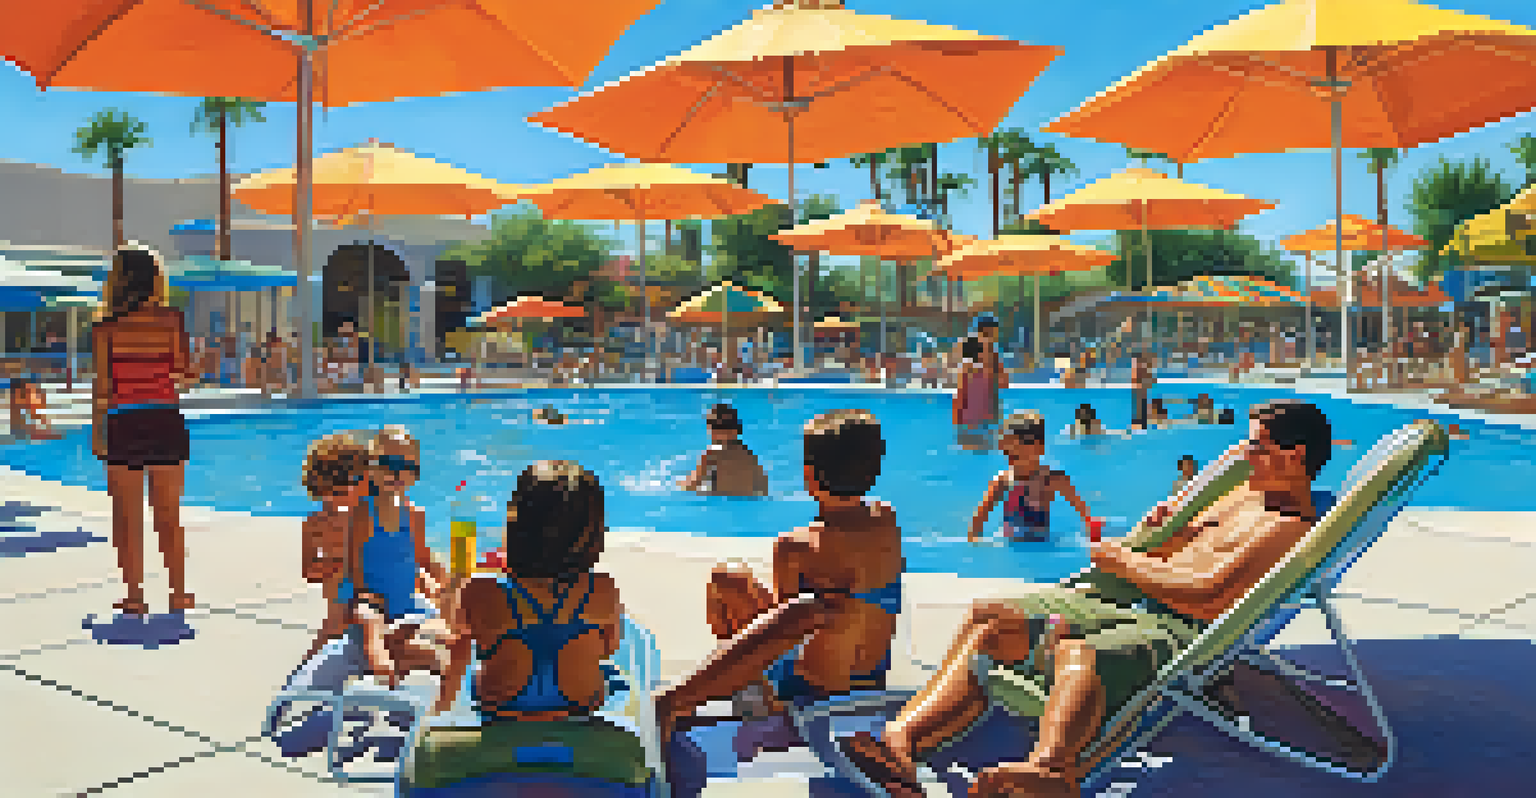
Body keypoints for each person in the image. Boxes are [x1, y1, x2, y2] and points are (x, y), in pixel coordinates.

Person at [839, 400, 1334, 798]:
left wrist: (1125, 561)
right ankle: (901, 744)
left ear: (1294, 458)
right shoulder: (1245, 494)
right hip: (1130, 601)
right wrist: (1165, 525)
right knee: (990, 620)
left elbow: (1207, 599)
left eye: (1258, 447)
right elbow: (1184, 532)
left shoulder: (1285, 529)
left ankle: (1051, 771)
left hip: (1174, 628)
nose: (1246, 454)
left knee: (1078, 651)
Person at [658, 410, 904, 729]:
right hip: (870, 680)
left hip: (809, 690)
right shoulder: (887, 520)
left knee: (726, 579)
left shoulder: (797, 546)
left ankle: (755, 691)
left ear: (809, 477)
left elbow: (780, 632)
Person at [91, 246, 196, 617]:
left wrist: (97, 432)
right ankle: (179, 593)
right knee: (169, 514)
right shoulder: (170, 321)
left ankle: (135, 595)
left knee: (127, 516)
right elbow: (185, 374)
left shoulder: (105, 329)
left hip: (123, 421)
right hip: (165, 418)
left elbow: (103, 389)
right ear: (155, 279)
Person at [342, 427, 451, 685]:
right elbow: (353, 561)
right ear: (370, 469)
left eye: (408, 467)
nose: (397, 473)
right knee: (371, 626)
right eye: (388, 464)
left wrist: (443, 585)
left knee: (447, 640)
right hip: (373, 602)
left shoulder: (414, 515)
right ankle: (384, 664)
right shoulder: (363, 512)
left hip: (407, 603)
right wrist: (360, 592)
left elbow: (420, 558)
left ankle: (402, 653)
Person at [298, 431, 373, 663]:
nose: (335, 499)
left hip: (372, 594)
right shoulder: (314, 524)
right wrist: (335, 566)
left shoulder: (371, 518)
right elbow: (309, 571)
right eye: (328, 492)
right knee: (334, 626)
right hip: (339, 599)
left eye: (345, 489)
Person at [969, 412, 1101, 544]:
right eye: (1007, 452)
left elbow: (1085, 515)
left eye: (1017, 452)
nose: (1010, 457)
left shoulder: (1052, 480)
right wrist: (975, 543)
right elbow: (978, 520)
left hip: (1043, 544)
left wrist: (1095, 539)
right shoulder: (1003, 482)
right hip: (1011, 546)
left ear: (1040, 449)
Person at [678, 403, 769, 497]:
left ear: (712, 430)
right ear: (737, 429)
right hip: (747, 500)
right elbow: (763, 487)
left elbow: (692, 484)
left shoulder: (712, 454)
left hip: (720, 500)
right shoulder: (749, 455)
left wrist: (677, 484)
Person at [954, 336, 995, 438]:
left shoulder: (965, 371)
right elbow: (991, 398)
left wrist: (956, 420)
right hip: (985, 420)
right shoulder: (988, 371)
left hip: (968, 421)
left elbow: (960, 397)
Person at [1129, 353, 1153, 430]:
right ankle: (1139, 424)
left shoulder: (1141, 369)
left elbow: (1148, 381)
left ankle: (1141, 424)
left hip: (1141, 392)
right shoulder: (1138, 369)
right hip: (1138, 392)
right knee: (1137, 408)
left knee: (1140, 408)